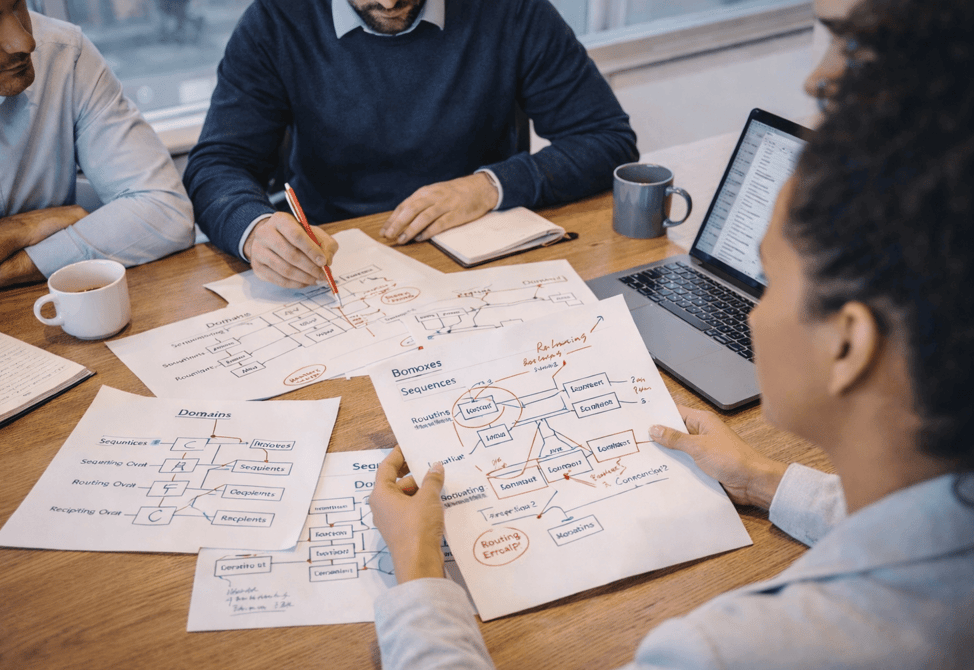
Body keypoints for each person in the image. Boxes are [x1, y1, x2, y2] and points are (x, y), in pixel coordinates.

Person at [368, 0, 974, 666]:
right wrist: (760, 480)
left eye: (767, 278)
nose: (752, 308)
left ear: (847, 346)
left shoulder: (724, 649)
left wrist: (420, 566)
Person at [182, 0, 638, 291]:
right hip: (334, 264)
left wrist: (489, 186)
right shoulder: (276, 20)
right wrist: (255, 228)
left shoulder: (510, 9)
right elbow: (218, 164)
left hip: (485, 262)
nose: (388, 2)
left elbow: (607, 138)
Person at [0, 0, 194, 304]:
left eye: (18, 5)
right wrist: (18, 229)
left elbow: (166, 213)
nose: (25, 40)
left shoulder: (63, 51)